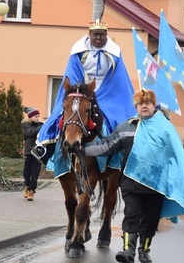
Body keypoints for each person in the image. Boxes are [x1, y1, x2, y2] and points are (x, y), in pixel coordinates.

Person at [81, 89, 184, 263]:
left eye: (147, 103)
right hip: (131, 182)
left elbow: (175, 156)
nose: (144, 106)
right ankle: (128, 252)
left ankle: (144, 251)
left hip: (156, 185)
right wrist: (82, 150)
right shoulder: (127, 127)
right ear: (136, 107)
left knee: (150, 220)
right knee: (131, 215)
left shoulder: (165, 129)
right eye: (140, 103)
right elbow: (106, 146)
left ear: (154, 105)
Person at [33, 20, 135, 163]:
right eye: (95, 35)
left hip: (108, 92)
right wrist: (78, 90)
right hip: (83, 90)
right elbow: (73, 72)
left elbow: (118, 78)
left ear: (107, 35)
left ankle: (121, 155)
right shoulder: (78, 51)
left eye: (102, 35)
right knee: (62, 113)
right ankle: (45, 149)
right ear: (89, 35)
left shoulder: (114, 52)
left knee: (118, 119)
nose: (98, 38)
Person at [21, 107, 43, 200]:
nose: (37, 118)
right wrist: (41, 127)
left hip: (37, 152)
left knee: (35, 173)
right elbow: (30, 133)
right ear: (30, 117)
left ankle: (31, 191)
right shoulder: (26, 126)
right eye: (35, 116)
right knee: (27, 172)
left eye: (38, 116)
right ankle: (26, 185)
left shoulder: (41, 125)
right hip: (29, 152)